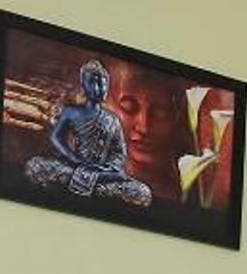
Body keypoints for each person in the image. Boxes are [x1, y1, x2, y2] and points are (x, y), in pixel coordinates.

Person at [23, 59, 152, 206]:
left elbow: (119, 153)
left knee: (141, 191)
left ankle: (91, 183)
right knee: (36, 166)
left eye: (102, 84)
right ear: (84, 85)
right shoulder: (71, 112)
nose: (98, 88)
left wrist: (108, 167)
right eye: (92, 83)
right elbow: (56, 137)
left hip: (102, 172)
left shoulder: (112, 120)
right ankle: (97, 188)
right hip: (75, 165)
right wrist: (74, 158)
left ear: (107, 87)